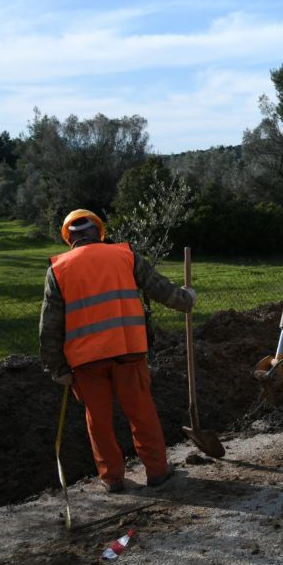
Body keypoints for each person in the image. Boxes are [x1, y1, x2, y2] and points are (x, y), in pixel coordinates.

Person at [40, 209, 196, 493]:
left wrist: (57, 368)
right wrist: (186, 300)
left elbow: (49, 326)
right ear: (99, 232)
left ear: (68, 239)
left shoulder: (58, 269)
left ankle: (112, 478)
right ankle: (158, 471)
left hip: (86, 362)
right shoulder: (125, 255)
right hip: (127, 351)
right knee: (141, 413)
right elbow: (160, 288)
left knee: (98, 421)